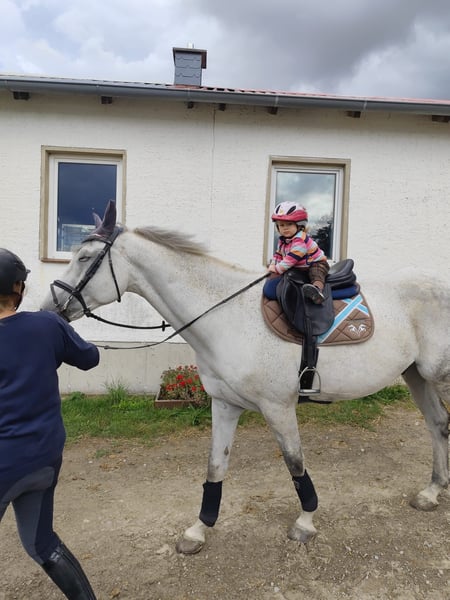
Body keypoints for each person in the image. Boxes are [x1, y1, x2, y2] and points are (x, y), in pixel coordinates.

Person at [0, 248, 100, 599]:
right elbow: (90, 358)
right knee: (41, 543)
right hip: (43, 458)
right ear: (18, 287)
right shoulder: (47, 324)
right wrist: (57, 336)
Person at [263, 201, 330, 303]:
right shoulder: (282, 241)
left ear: (299, 225)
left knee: (316, 273)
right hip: (300, 267)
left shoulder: (300, 240)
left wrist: (277, 269)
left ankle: (316, 290)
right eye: (281, 225)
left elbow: (291, 259)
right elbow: (278, 255)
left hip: (316, 263)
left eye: (289, 224)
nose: (285, 228)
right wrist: (273, 265)